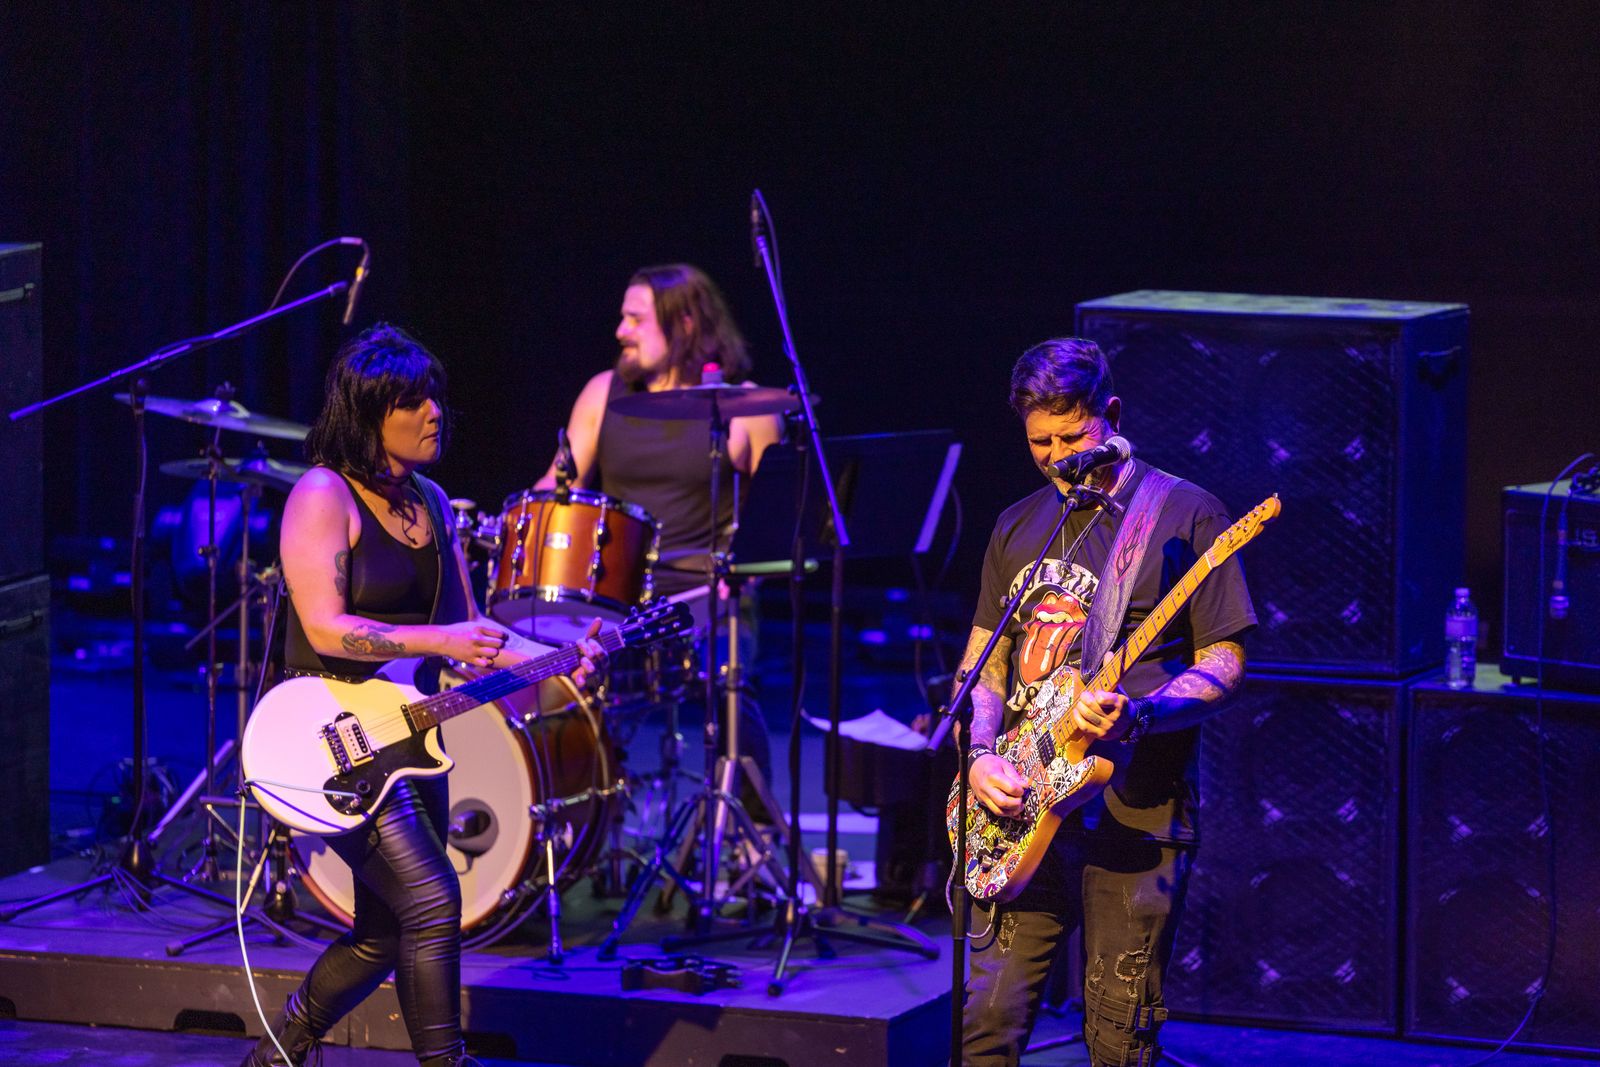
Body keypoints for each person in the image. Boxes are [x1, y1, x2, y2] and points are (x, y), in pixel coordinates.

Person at [243, 324, 601, 1067]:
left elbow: (476, 636)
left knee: (382, 935)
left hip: (406, 739)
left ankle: (277, 1055)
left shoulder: (431, 502)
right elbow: (327, 627)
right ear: (370, 414)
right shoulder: (322, 494)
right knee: (435, 899)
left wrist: (565, 660)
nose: (436, 412)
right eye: (414, 401)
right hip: (327, 740)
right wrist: (438, 641)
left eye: (435, 396)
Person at [959, 338, 1255, 1067]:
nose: (1058, 457)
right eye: (1041, 442)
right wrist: (980, 754)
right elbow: (982, 666)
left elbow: (1225, 661)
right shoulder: (1018, 524)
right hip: (1023, 806)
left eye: (1073, 437)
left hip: (1136, 814)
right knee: (986, 1028)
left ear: (1112, 415)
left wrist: (1143, 713)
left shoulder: (1184, 513)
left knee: (1119, 1039)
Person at [534, 264, 782, 780]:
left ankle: (748, 814)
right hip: (617, 597)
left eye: (635, 319)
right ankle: (581, 811)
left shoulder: (743, 405)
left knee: (731, 689)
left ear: (685, 323)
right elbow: (557, 488)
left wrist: (745, 574)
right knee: (552, 676)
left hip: (706, 597)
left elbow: (775, 516)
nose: (620, 331)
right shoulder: (604, 392)